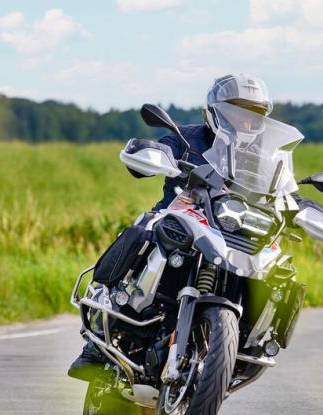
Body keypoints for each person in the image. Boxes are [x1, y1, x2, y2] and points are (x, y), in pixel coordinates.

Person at [68, 73, 275, 381]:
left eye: (253, 115)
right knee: (145, 226)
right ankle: (97, 338)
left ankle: (253, 341)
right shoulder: (186, 136)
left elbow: (282, 190)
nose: (245, 122)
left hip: (232, 234)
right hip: (180, 218)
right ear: (215, 110)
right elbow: (161, 152)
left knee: (278, 266)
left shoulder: (264, 159)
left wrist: (301, 204)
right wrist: (158, 154)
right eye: (237, 112)